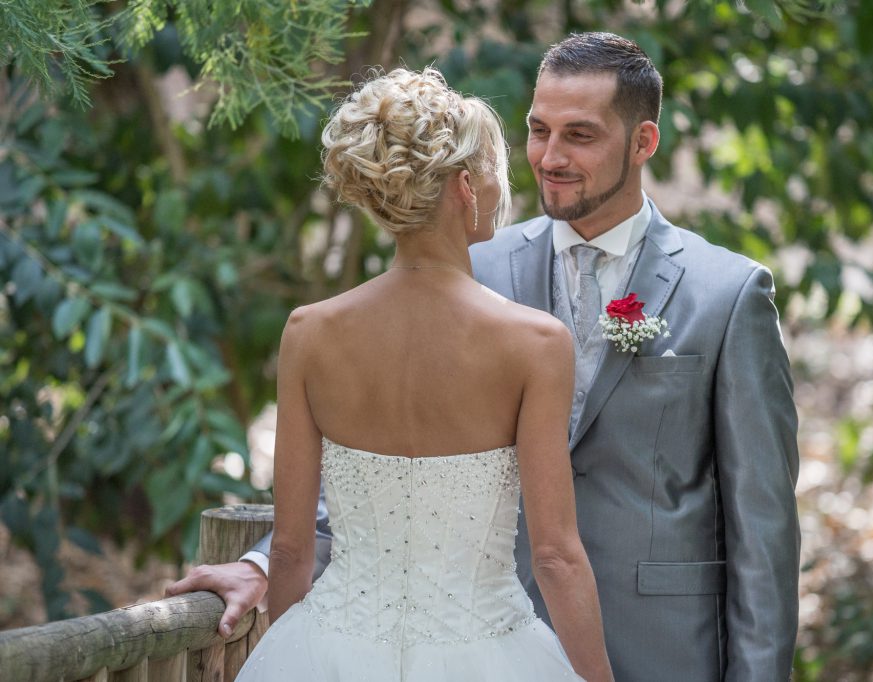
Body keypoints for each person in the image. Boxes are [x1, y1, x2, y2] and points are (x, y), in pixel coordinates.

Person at [169, 33, 800, 681]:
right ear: (467, 187)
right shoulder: (480, 267)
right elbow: (380, 478)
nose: (549, 157)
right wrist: (259, 563)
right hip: (499, 647)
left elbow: (763, 528)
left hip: (665, 645)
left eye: (579, 135)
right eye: (537, 130)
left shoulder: (727, 293)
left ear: (644, 142)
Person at [221, 67, 612, 681]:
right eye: (491, 165)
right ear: (463, 186)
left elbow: (291, 550)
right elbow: (557, 557)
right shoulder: (535, 344)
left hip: (330, 648)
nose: (500, 181)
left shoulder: (310, 333)